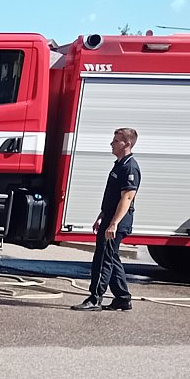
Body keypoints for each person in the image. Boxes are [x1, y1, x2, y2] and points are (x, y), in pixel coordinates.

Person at [72, 127, 140, 312]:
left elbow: (127, 197)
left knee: (103, 259)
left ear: (127, 144)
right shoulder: (119, 164)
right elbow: (113, 196)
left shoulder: (130, 167)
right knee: (111, 257)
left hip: (117, 222)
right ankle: (122, 299)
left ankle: (95, 298)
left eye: (116, 141)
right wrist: (102, 215)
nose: (112, 143)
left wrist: (114, 223)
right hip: (110, 218)